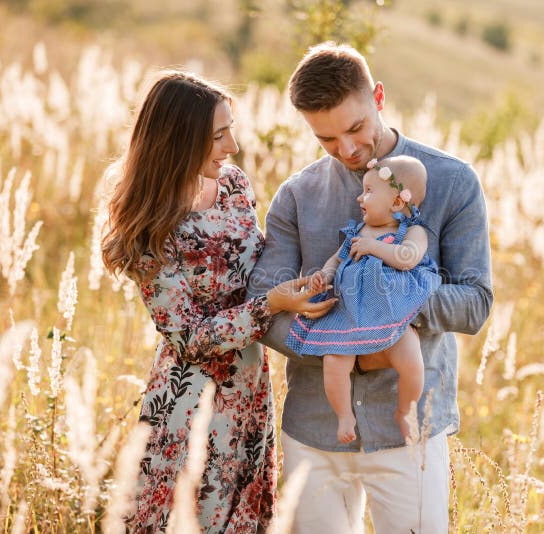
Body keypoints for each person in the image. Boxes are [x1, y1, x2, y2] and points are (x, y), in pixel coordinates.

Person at [247, 43, 493, 533]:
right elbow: (264, 307)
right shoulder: (296, 196)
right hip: (314, 430)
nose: (347, 150)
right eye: (327, 139)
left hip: (410, 435)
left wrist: (387, 307)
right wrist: (343, 346)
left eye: (356, 128)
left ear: (378, 97)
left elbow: (475, 304)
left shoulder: (452, 182)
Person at [100, 71, 334, 532]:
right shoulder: (149, 226)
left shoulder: (233, 186)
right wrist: (272, 305)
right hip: (190, 403)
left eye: (231, 129)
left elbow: (262, 264)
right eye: (218, 135)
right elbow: (187, 337)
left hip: (250, 390)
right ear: (178, 141)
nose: (232, 146)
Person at [285, 155, 440, 444]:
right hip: (351, 313)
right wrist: (325, 275)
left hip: (394, 312)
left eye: (369, 191)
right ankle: (344, 414)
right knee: (334, 362)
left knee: (411, 361)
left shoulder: (412, 232)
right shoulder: (358, 232)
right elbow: (337, 258)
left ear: (397, 203)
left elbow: (408, 259)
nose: (360, 197)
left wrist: (374, 248)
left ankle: (405, 410)